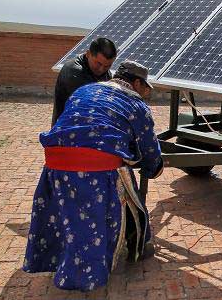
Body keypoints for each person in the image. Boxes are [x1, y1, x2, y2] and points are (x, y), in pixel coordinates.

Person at [23, 60, 163, 291]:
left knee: (67, 214)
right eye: (143, 86)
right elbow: (149, 149)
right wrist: (154, 167)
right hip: (95, 170)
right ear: (136, 83)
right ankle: (90, 274)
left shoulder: (85, 89)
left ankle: (58, 259)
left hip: (54, 164)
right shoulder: (136, 105)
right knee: (109, 205)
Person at [51, 37, 117, 125]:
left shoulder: (105, 73)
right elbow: (94, 103)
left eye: (107, 66)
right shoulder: (73, 71)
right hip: (67, 129)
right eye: (98, 63)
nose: (101, 69)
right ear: (88, 54)